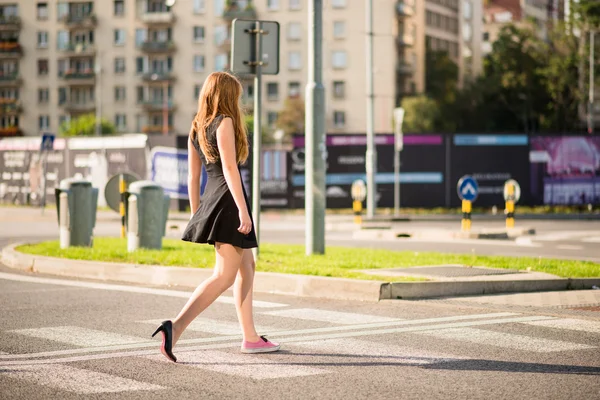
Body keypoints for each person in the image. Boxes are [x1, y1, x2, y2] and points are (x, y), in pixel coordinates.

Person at [152, 71, 280, 362]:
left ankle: (250, 336)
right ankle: (176, 326)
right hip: (228, 200)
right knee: (223, 275)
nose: (238, 100)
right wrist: (244, 212)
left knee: (247, 266)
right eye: (235, 94)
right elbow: (230, 170)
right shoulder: (225, 122)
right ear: (225, 95)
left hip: (214, 198)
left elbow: (193, 176)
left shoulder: (197, 126)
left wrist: (198, 211)